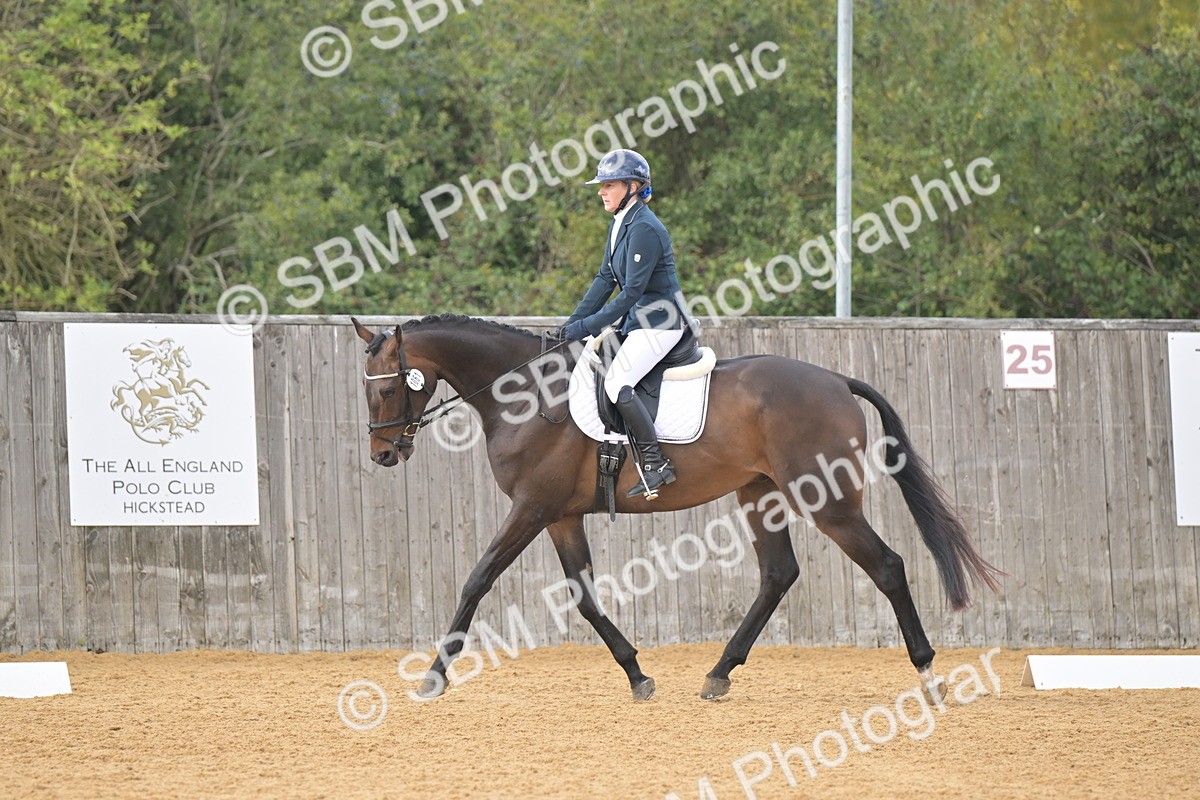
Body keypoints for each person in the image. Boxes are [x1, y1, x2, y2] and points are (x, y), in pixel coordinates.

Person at [557, 148, 687, 499]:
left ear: (633, 186)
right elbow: (604, 279)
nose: (601, 191)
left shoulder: (644, 227)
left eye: (608, 185)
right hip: (636, 323)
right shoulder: (620, 224)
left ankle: (655, 462)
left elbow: (629, 293)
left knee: (617, 384)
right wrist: (571, 324)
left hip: (660, 322)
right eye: (601, 185)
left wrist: (584, 329)